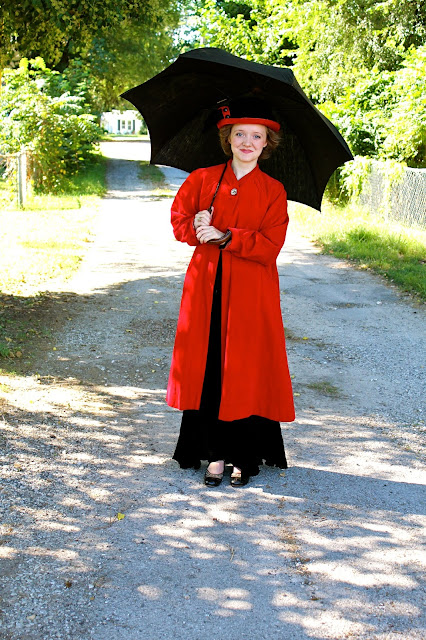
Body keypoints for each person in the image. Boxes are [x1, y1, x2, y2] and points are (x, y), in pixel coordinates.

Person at [166, 97, 295, 487]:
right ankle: (215, 455)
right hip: (207, 290)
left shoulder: (273, 190)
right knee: (210, 368)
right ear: (228, 138)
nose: (247, 142)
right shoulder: (203, 179)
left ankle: (245, 456)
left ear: (267, 143)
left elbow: (271, 245)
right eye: (240, 134)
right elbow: (179, 225)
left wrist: (227, 237)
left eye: (257, 136)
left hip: (251, 294)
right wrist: (196, 222)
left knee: (245, 370)